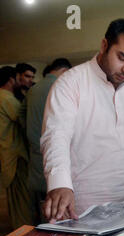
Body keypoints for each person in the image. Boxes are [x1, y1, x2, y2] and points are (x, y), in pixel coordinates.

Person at [41, 18, 124, 223]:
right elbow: (56, 136)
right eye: (122, 58)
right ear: (104, 46)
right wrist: (59, 184)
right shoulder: (71, 83)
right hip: (84, 204)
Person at [26, 58, 72, 223]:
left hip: (34, 156)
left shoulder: (32, 90)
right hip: (56, 159)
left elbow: (20, 117)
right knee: (58, 210)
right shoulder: (62, 87)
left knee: (40, 205)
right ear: (64, 72)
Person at [0, 66, 33, 229]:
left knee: (15, 201)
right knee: (22, 202)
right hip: (16, 156)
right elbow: (23, 120)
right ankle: (25, 235)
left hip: (7, 155)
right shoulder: (6, 98)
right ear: (11, 80)